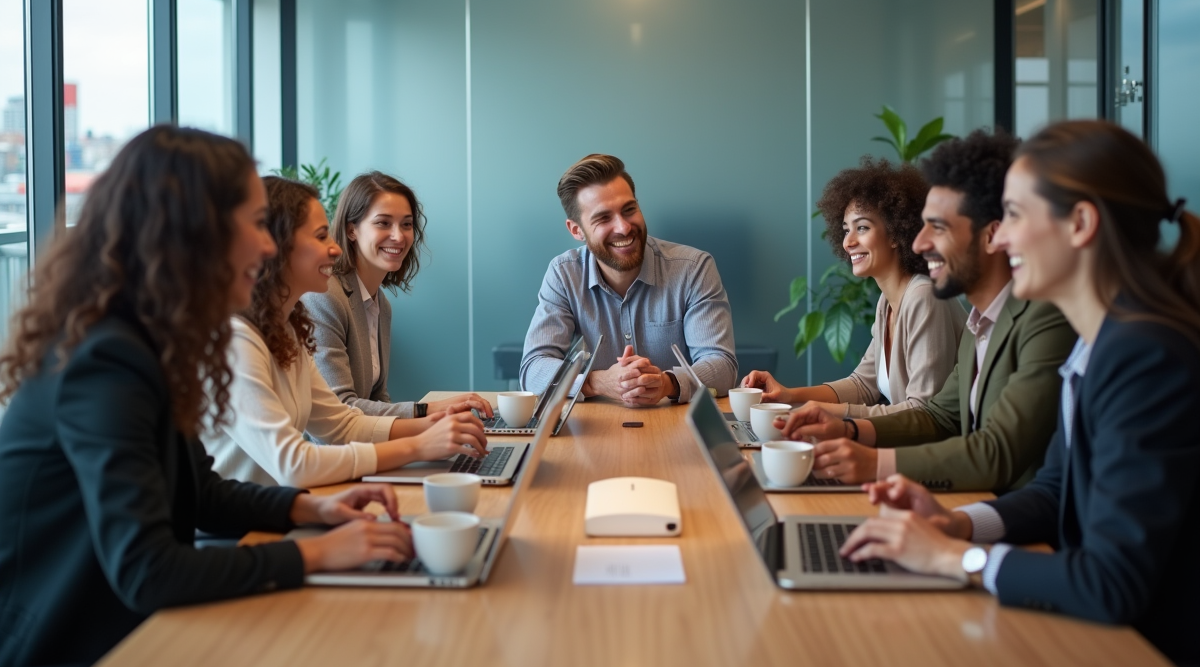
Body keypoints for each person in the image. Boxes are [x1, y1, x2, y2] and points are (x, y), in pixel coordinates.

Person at [0, 127, 413, 667]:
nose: (267, 245)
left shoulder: (149, 342)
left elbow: (202, 493)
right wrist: (316, 551)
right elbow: (148, 570)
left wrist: (311, 508)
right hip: (72, 658)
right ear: (190, 232)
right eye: (252, 223)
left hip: (127, 632)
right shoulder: (104, 362)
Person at [839, 120, 1200, 667]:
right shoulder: (1101, 343)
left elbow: (1111, 582)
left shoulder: (1146, 356)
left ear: (1080, 224)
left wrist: (956, 560)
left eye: (1015, 216)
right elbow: (1055, 489)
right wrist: (958, 526)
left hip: (1148, 658)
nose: (1001, 239)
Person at [780, 130, 1076, 491]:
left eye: (938, 227)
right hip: (976, 505)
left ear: (991, 235)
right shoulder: (978, 321)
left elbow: (996, 453)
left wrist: (874, 462)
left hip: (1011, 515)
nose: (920, 242)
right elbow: (939, 416)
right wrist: (848, 428)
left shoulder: (1043, 317)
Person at [203, 177, 489, 489]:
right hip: (241, 529)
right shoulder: (235, 341)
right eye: (320, 235)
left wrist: (430, 425)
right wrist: (419, 444)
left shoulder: (289, 331)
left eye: (406, 224)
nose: (335, 248)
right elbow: (294, 464)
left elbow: (341, 423)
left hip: (281, 508)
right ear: (275, 246)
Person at [742, 157, 966, 417]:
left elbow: (923, 413)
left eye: (862, 227)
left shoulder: (923, 297)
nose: (848, 242)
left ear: (895, 233)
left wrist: (825, 412)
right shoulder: (888, 302)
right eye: (846, 229)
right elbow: (862, 384)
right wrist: (790, 395)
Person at [520, 154, 737, 406]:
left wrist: (666, 383)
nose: (623, 228)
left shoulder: (694, 268)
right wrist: (597, 382)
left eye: (629, 210)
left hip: (676, 429)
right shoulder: (564, 274)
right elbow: (533, 370)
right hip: (594, 431)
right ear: (576, 230)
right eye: (603, 218)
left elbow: (723, 367)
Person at [302, 171, 491, 421]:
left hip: (366, 451)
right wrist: (427, 412)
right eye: (383, 223)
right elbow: (339, 409)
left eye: (407, 224)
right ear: (351, 230)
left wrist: (435, 430)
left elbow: (378, 397)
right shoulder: (325, 297)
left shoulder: (381, 305)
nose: (399, 236)